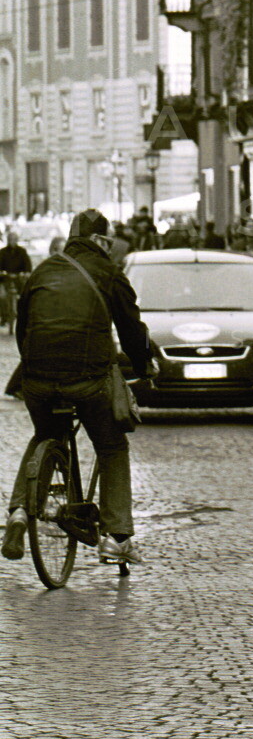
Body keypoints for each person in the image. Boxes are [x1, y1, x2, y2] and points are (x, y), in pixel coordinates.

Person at [1, 209, 151, 565]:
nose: (111, 249)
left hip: (37, 379)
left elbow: (23, 329)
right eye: (109, 242)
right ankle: (117, 538)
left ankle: (19, 511)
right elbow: (132, 329)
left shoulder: (43, 270)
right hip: (88, 380)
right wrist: (144, 365)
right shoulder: (109, 273)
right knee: (112, 446)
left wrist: (36, 366)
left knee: (45, 434)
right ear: (99, 241)